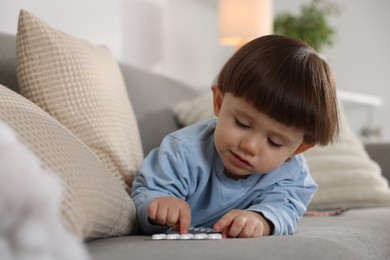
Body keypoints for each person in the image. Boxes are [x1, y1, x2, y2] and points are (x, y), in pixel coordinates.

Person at [131, 35, 339, 238]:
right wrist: (159, 204)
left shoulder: (292, 175)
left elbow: (285, 211)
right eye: (242, 123)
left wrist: (260, 220)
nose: (250, 146)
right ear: (219, 104)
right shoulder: (182, 150)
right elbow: (144, 195)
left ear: (298, 149)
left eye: (274, 142)